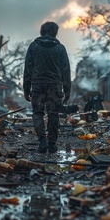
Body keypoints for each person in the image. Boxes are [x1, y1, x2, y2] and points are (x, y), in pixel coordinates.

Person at [23, 21, 71, 153]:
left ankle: (42, 141)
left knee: (37, 113)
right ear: (55, 32)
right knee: (53, 114)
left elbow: (28, 69)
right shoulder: (60, 48)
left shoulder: (33, 46)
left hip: (37, 85)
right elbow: (65, 70)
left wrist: (26, 89)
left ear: (42, 31)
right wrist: (67, 90)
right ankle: (52, 144)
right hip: (55, 86)